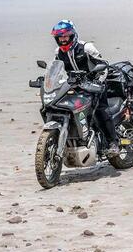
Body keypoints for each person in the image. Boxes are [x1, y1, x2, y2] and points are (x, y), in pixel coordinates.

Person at [51, 19, 119, 155]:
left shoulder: (86, 48)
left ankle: (113, 143)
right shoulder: (58, 52)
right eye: (60, 37)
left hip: (95, 85)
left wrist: (99, 82)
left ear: (72, 35)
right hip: (76, 86)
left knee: (100, 111)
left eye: (65, 36)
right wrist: (48, 81)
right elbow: (55, 70)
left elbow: (103, 65)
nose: (63, 39)